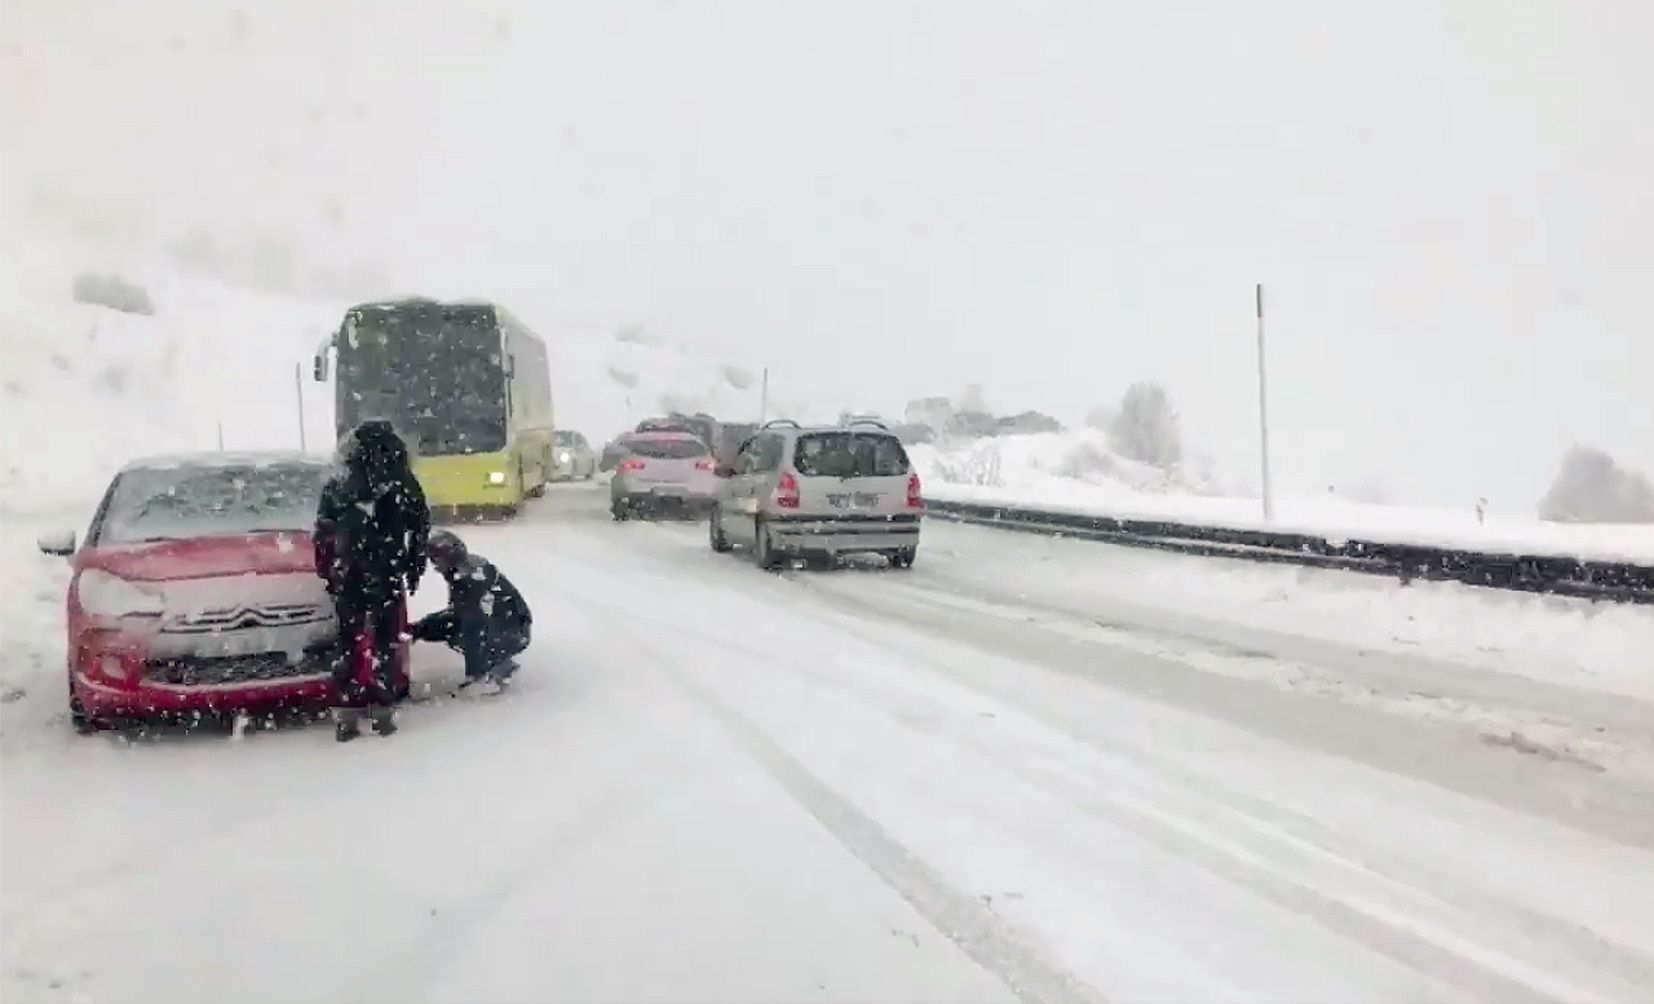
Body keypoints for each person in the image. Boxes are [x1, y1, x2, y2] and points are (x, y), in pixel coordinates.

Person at [314, 420, 430, 741]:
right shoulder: (402, 482)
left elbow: (322, 533)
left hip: (348, 571)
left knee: (349, 641)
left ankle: (348, 714)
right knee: (385, 641)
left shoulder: (338, 484)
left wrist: (328, 570)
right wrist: (413, 566)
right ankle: (382, 709)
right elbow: (420, 527)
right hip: (387, 571)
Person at [410, 530, 532, 692]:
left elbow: (471, 625)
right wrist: (420, 628)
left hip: (513, 631)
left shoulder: (468, 581)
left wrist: (475, 674)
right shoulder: (467, 570)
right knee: (457, 626)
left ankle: (485, 676)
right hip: (514, 626)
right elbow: (457, 614)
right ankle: (497, 661)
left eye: (436, 560)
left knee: (463, 630)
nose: (435, 567)